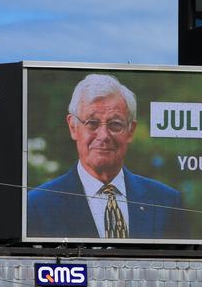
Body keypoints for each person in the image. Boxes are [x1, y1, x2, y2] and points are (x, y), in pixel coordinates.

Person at [27, 74, 187, 240]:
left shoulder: (166, 203)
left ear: (130, 130)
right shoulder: (36, 205)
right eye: (92, 123)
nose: (103, 135)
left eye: (115, 124)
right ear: (73, 127)